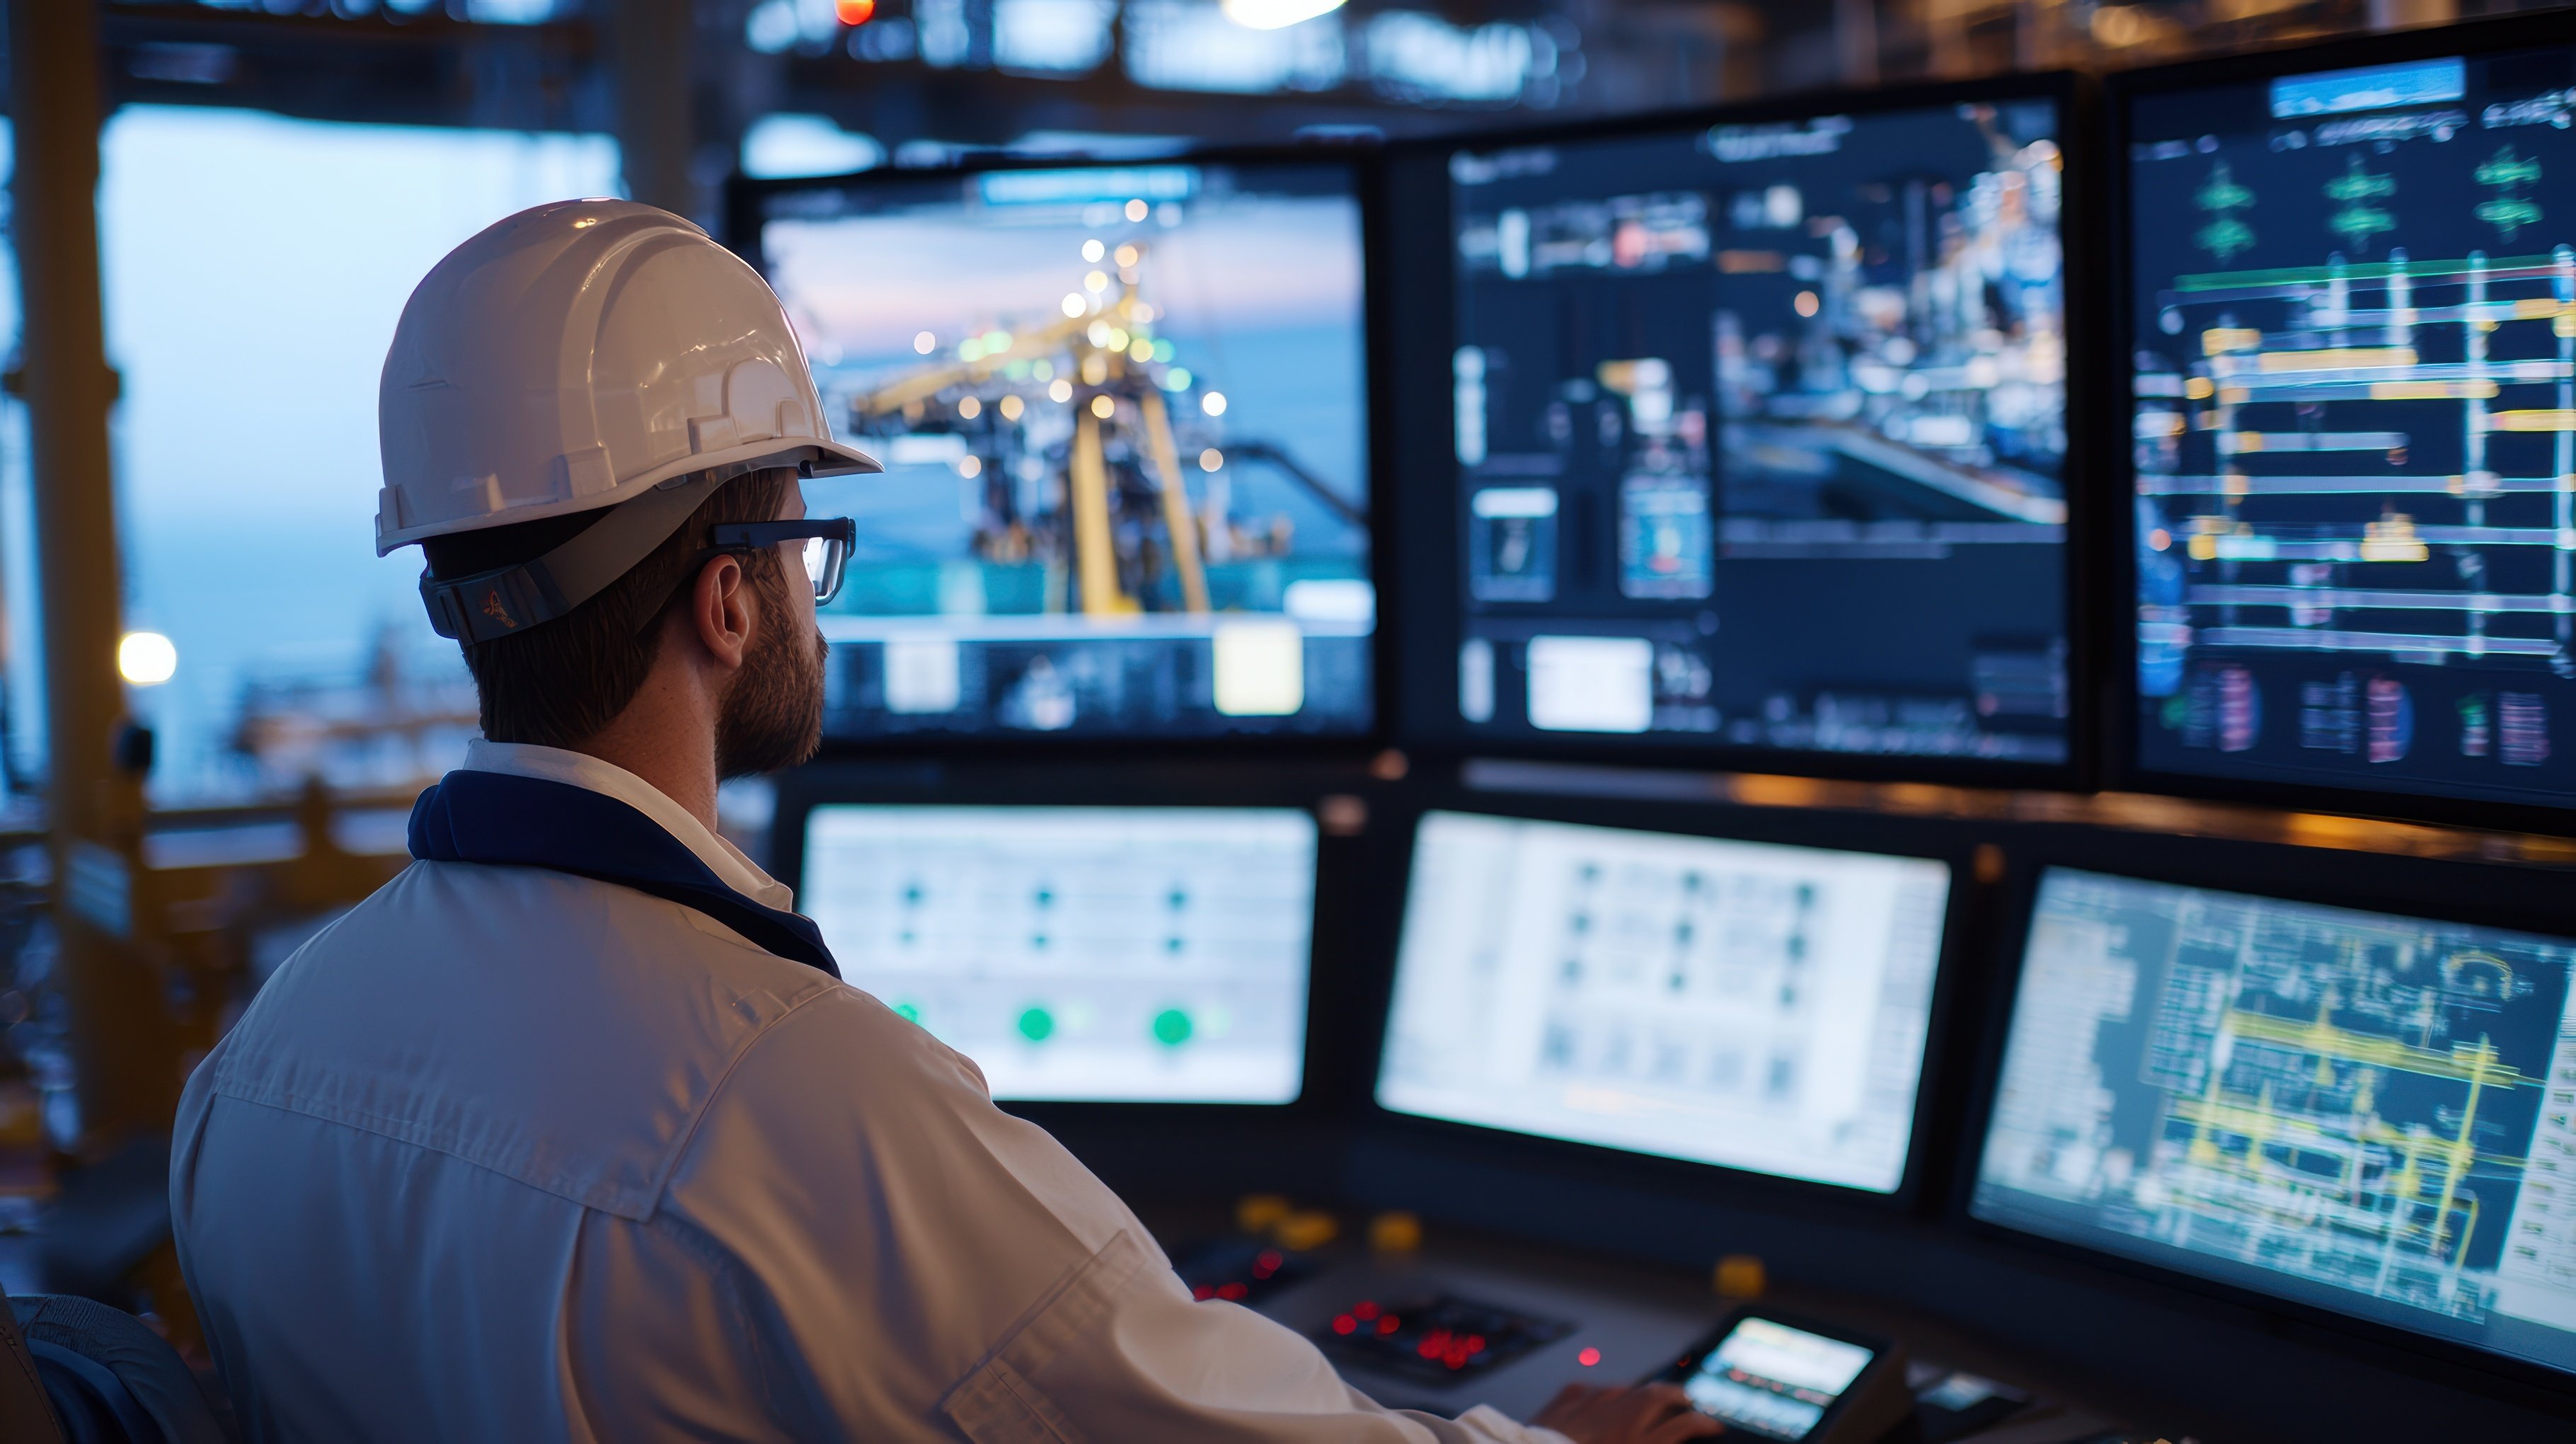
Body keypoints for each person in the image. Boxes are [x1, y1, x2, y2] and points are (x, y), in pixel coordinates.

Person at [167, 200, 1725, 1444]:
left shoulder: (259, 1059)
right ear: (728, 601)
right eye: (806, 547)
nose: (812, 601)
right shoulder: (795, 1099)